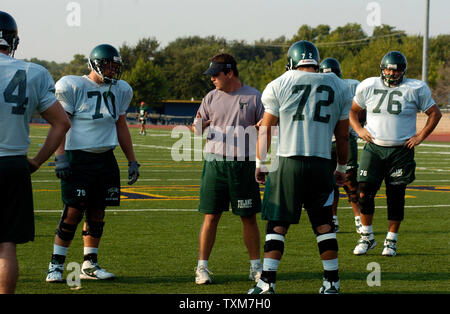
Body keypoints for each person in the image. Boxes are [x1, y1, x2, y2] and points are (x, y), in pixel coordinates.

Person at [248, 41, 352, 294]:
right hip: (320, 162)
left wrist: (261, 162)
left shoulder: (279, 83)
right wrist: (341, 166)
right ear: (316, 61)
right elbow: (343, 135)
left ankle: (267, 283)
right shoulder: (339, 85)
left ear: (293, 62)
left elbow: (266, 128)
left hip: (287, 162)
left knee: (277, 224)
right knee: (324, 224)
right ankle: (331, 282)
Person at [45, 44, 141, 282]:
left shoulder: (121, 89)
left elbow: (121, 125)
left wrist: (132, 160)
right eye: (108, 65)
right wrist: (60, 156)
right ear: (96, 64)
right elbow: (61, 124)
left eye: (115, 66)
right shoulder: (72, 85)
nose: (112, 70)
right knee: (73, 212)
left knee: (98, 212)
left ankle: (90, 264)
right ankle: (55, 265)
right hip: (78, 157)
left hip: (105, 158)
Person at [0, 11, 70, 293]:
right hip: (13, 164)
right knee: (6, 245)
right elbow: (61, 122)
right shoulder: (34, 72)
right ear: (13, 40)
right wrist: (38, 161)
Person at [350, 51, 441, 256]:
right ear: (382, 69)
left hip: (401, 150)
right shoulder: (368, 85)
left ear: (403, 71)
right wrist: (359, 130)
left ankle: (391, 240)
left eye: (397, 69)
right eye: (389, 69)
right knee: (363, 192)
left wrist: (420, 136)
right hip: (374, 148)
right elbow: (353, 111)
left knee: (396, 196)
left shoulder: (415, 88)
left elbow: (435, 113)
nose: (392, 73)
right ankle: (367, 236)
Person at [193, 53, 264, 285]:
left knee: (248, 217)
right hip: (215, 163)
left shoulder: (254, 97)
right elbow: (197, 126)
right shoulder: (211, 97)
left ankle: (256, 268)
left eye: (215, 74)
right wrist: (200, 124)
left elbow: (267, 128)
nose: (212, 78)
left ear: (230, 72)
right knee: (211, 216)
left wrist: (261, 134)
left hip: (243, 164)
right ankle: (201, 268)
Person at [319, 57, 363, 234]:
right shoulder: (315, 87)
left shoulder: (352, 86)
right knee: (330, 184)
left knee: (350, 182)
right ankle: (333, 219)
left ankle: (358, 218)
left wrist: (360, 126)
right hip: (325, 141)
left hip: (345, 139)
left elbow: (361, 108)